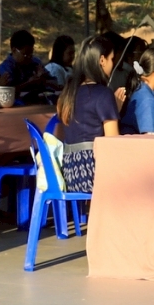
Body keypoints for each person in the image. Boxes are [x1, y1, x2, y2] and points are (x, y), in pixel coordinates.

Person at [53, 34, 121, 192]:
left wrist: (114, 110)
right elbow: (113, 142)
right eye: (112, 59)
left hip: (70, 173)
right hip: (93, 172)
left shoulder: (68, 92)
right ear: (102, 60)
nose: (113, 64)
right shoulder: (103, 94)